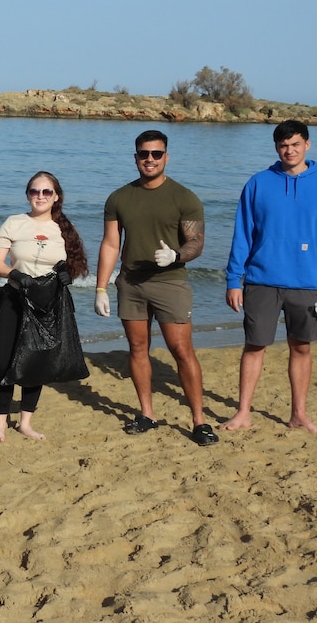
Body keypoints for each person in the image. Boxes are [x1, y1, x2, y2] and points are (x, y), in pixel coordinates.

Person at [94, 129, 218, 446]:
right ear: (135, 157)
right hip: (131, 284)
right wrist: (101, 288)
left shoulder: (184, 197)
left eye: (156, 154)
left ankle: (199, 421)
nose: (150, 159)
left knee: (181, 350)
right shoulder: (119, 197)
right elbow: (110, 244)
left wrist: (176, 255)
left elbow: (197, 243)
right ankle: (147, 414)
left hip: (170, 282)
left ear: (166, 157)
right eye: (144, 154)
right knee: (138, 349)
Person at [222, 120, 317, 435]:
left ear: (307, 144)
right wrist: (234, 279)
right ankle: (243, 413)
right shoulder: (258, 183)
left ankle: (299, 415)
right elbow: (242, 235)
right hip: (261, 281)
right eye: (283, 145)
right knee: (254, 345)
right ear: (277, 148)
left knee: (301, 348)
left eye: (295, 144)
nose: (289, 150)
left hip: (306, 283)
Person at [0, 171, 89, 441]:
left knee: (36, 362)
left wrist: (67, 272)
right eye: (35, 191)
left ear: (56, 196)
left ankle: (26, 423)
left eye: (46, 192)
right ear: (28, 194)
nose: (40, 197)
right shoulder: (14, 222)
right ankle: (0, 424)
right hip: (15, 300)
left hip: (49, 303)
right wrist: (15, 274)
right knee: (5, 363)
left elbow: (76, 264)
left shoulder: (63, 228)